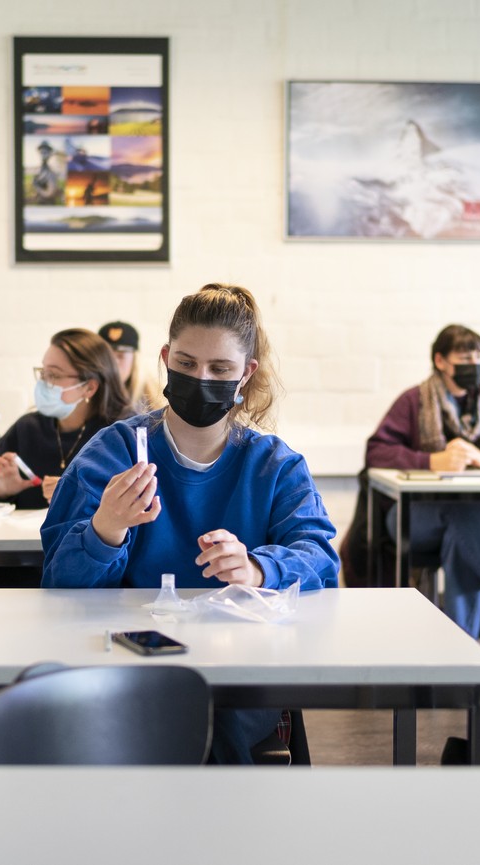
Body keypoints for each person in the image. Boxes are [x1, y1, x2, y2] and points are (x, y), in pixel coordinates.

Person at [42, 284, 339, 764]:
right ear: (165, 358)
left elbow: (321, 559)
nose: (200, 379)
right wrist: (105, 530)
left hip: (237, 667)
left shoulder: (273, 465)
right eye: (185, 364)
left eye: (220, 369)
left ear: (246, 373)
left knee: (207, 718)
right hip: (130, 663)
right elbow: (59, 583)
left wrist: (257, 569)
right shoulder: (115, 452)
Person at [364, 324, 480, 637]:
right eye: (465, 357)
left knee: (462, 533)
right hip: (408, 519)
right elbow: (377, 451)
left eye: (478, 357)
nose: (473, 364)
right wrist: (429, 461)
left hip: (462, 522)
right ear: (440, 361)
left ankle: (461, 647)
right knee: (464, 512)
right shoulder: (414, 401)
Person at [0, 328, 129, 511]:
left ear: (89, 387)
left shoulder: (121, 433)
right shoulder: (28, 428)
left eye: (54, 375)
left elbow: (146, 504)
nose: (43, 383)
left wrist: (78, 495)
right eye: (43, 374)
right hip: (22, 539)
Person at [98, 320, 165, 411]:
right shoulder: (88, 395)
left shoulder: (153, 400)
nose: (113, 362)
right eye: (107, 356)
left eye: (120, 356)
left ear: (135, 360)